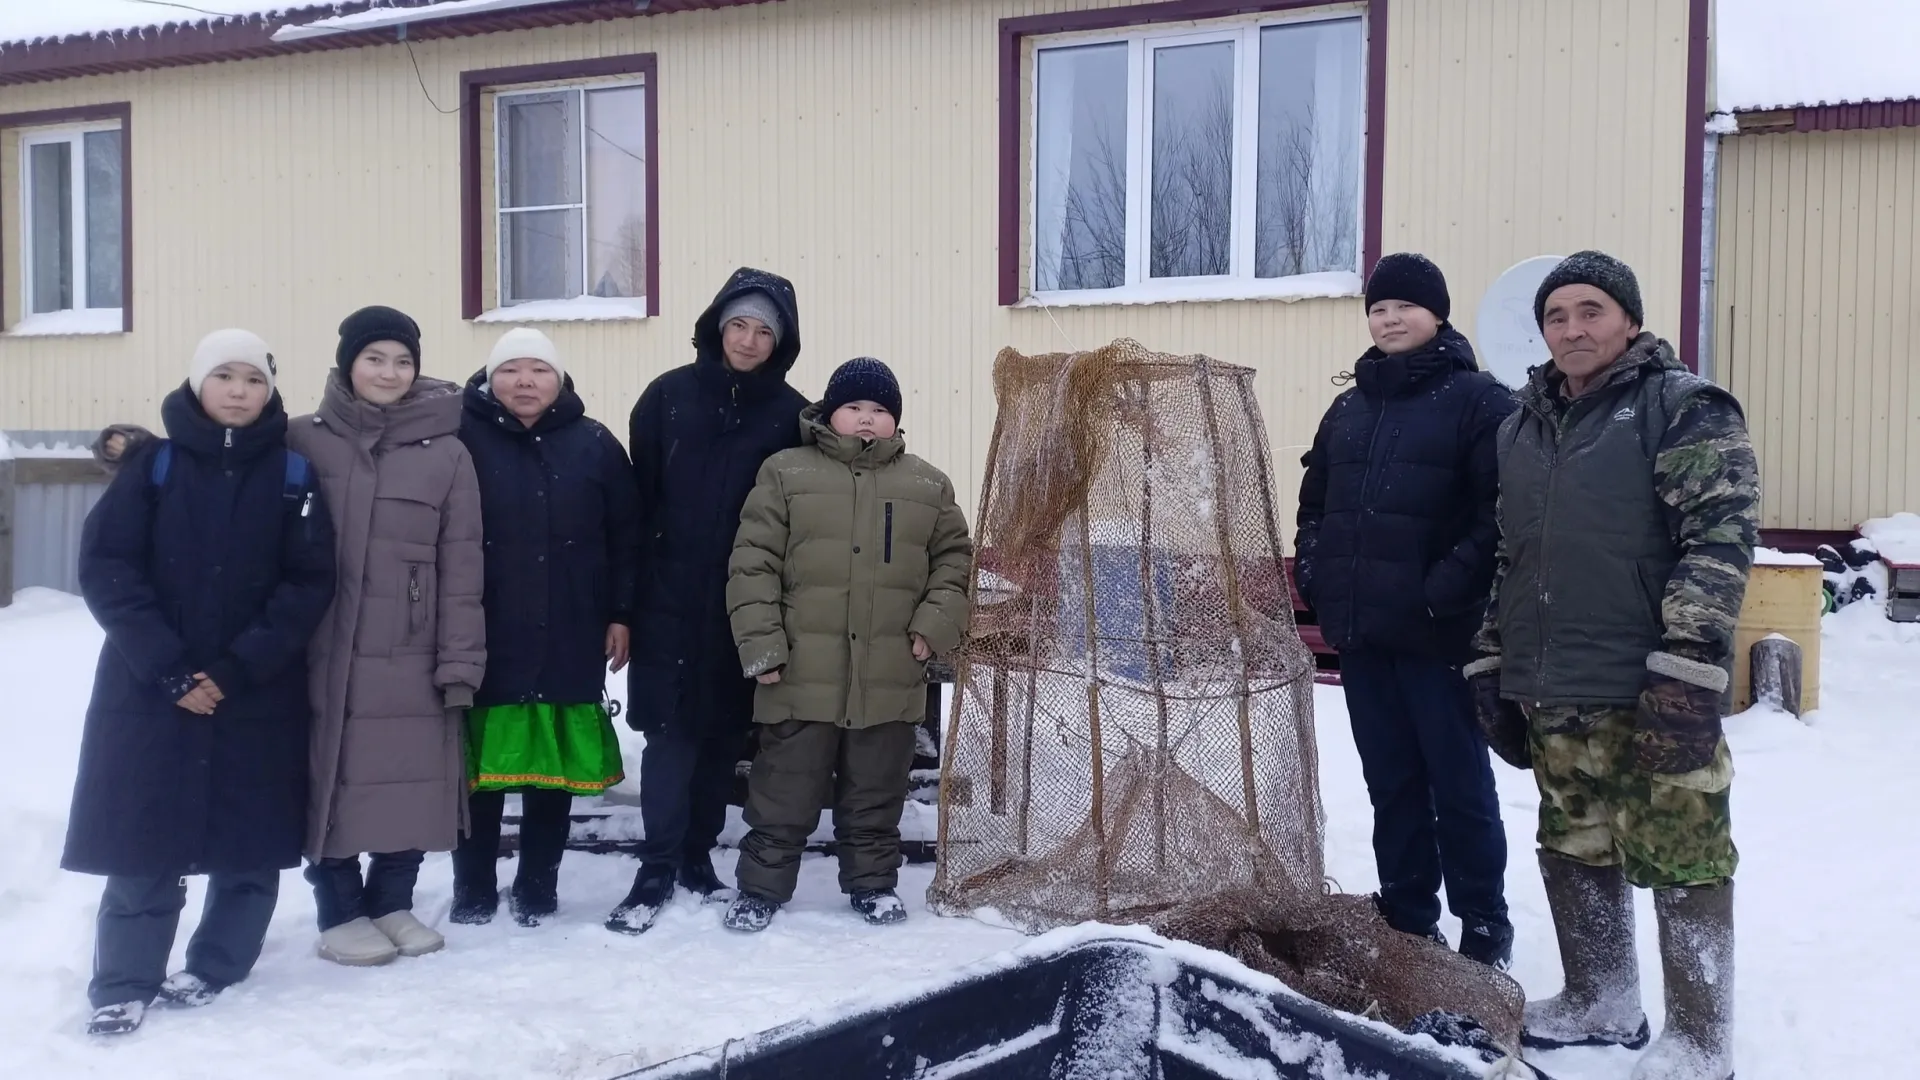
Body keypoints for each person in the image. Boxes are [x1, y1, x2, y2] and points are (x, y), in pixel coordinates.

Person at [1466, 251, 1757, 1080]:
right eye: (1556, 316)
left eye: (1590, 311)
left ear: (1628, 319)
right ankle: (1602, 997)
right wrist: (1492, 655)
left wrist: (1688, 669)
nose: (1571, 329)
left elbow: (1720, 540)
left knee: (1685, 852)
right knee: (1573, 843)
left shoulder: (1682, 407)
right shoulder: (1521, 423)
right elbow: (1511, 557)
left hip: (1649, 681)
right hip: (1553, 683)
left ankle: (1701, 1040)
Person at [64, 330, 335, 1035]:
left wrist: (238, 666)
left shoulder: (292, 474)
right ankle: (124, 981)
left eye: (254, 379)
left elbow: (308, 583)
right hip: (149, 689)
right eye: (225, 376)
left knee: (250, 839)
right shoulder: (151, 466)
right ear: (197, 384)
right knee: (143, 840)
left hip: (254, 689)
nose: (239, 391)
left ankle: (219, 963)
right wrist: (169, 668)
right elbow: (108, 571)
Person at [1294, 253, 1517, 968]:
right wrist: (1316, 573)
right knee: (1390, 783)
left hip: (1438, 636)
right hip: (1363, 634)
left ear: (1439, 315)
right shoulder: (1350, 407)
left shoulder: (1480, 401)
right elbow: (1315, 503)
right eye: (1378, 307)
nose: (1388, 318)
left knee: (1459, 785)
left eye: (1404, 306)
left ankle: (1484, 925)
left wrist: (1441, 590)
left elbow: (1501, 514)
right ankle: (1408, 914)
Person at [721, 358, 973, 932]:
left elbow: (954, 563)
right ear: (829, 412)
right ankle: (761, 887)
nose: (866, 419)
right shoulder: (785, 472)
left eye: (880, 410)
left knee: (875, 791)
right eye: (855, 407)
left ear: (896, 421)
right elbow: (752, 563)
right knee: (783, 789)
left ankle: (873, 884)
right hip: (799, 670)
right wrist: (762, 645)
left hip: (888, 668)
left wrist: (933, 627)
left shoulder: (927, 484)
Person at [609, 268, 809, 935]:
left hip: (744, 606)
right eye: (739, 325)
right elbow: (636, 506)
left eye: (763, 330)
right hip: (667, 596)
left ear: (780, 341)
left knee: (723, 735)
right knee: (669, 735)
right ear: (717, 326)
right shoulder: (667, 398)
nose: (749, 340)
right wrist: (624, 605)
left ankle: (697, 856)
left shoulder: (791, 415)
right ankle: (657, 863)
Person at [289, 305, 486, 966]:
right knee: (331, 781)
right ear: (348, 363)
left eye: (403, 360)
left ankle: (392, 902)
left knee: (412, 780)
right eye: (375, 358)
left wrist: (460, 660)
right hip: (320, 648)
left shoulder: (448, 452)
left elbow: (463, 565)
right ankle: (339, 911)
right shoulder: (301, 440)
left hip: (412, 646)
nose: (389, 372)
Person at [452, 328, 641, 927]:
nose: (525, 381)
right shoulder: (458, 440)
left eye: (539, 370)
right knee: (478, 773)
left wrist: (621, 612)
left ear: (559, 381)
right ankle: (473, 884)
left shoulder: (594, 444)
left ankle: (538, 883)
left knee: (550, 771)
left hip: (570, 628)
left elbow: (627, 538)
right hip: (483, 631)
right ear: (489, 378)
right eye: (511, 369)